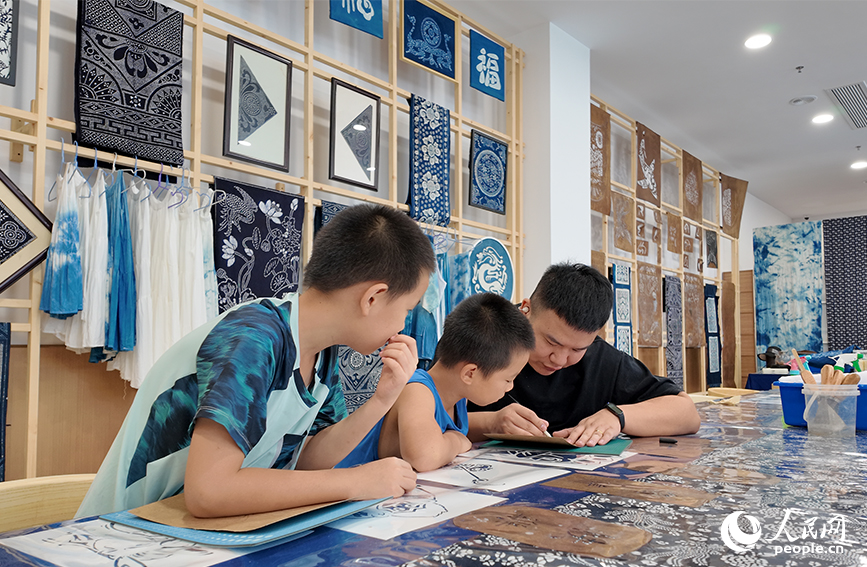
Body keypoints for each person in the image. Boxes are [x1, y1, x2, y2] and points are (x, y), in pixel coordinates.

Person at [77, 204, 436, 518]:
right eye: (407, 309)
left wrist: (382, 400)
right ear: (373, 298)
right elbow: (209, 491)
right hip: (121, 535)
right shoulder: (254, 336)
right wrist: (354, 481)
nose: (403, 325)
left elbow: (306, 459)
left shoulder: (324, 353)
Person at [468, 263, 700, 447]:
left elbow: (687, 414)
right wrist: (490, 422)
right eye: (551, 342)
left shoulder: (602, 360)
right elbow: (443, 417)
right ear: (525, 310)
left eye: (577, 349)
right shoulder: (480, 336)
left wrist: (617, 416)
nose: (559, 360)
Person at [337, 293, 535, 472]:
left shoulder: (459, 397)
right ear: (470, 373)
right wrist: (457, 440)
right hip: (345, 482)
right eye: (508, 379)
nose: (510, 387)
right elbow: (424, 457)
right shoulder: (417, 391)